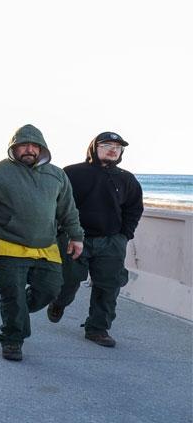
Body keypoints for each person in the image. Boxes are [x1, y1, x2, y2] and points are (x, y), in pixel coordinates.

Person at [0, 124, 84, 362]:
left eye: (34, 146)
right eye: (23, 145)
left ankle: (15, 312)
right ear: (13, 148)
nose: (29, 150)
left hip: (46, 246)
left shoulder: (57, 175)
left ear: (42, 148)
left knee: (50, 289)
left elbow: (68, 210)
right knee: (12, 294)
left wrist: (76, 237)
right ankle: (12, 340)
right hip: (8, 244)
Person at [47, 132, 143, 347]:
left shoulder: (126, 178)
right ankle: (58, 302)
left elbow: (134, 207)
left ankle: (98, 328)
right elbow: (56, 204)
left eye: (117, 147)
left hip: (111, 241)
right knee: (68, 280)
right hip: (75, 238)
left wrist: (124, 235)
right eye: (107, 145)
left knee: (109, 285)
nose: (113, 149)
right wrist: (59, 232)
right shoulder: (72, 173)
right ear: (94, 147)